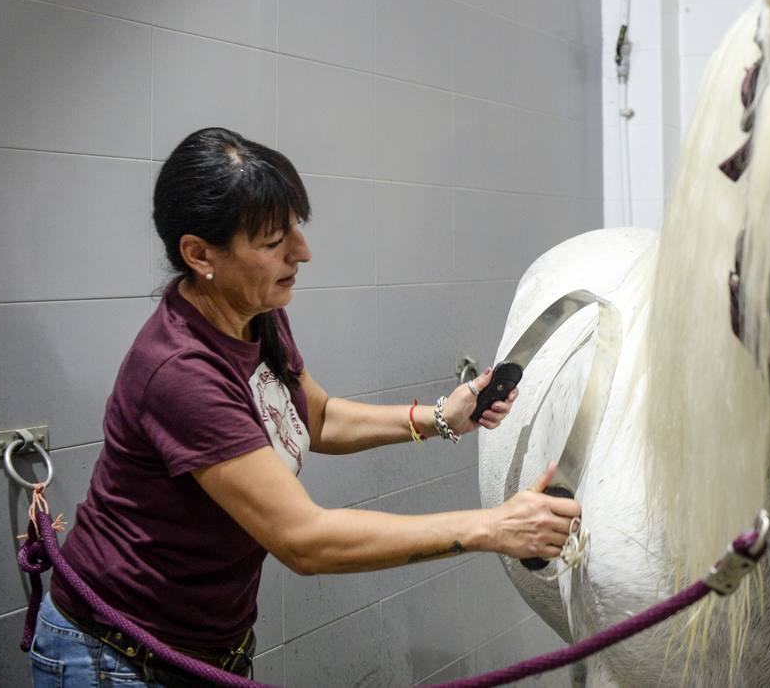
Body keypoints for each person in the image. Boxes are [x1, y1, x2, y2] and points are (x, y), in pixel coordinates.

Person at [29, 127, 580, 687]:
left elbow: (314, 418)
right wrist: (495, 528)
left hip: (204, 651)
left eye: (295, 228)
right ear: (199, 254)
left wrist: (441, 417)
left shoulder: (254, 314)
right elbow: (305, 540)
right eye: (272, 242)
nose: (302, 252)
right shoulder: (181, 374)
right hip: (115, 657)